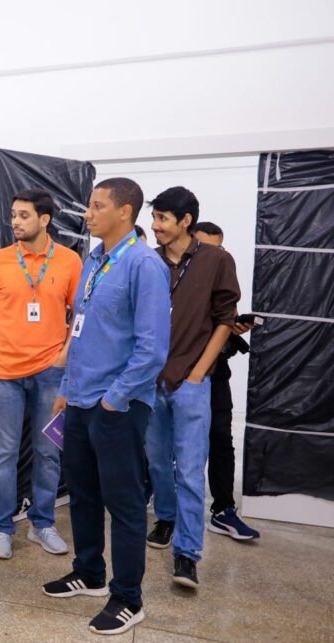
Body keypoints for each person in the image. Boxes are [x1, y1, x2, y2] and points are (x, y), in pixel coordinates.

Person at [42, 177, 170, 636]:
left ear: (125, 212)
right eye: (89, 206)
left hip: (118, 405)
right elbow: (79, 330)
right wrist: (66, 387)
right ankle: (90, 572)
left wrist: (114, 400)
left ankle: (128, 598)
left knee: (125, 503)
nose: (88, 214)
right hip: (79, 397)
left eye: (97, 206)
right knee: (82, 493)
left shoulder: (144, 265)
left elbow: (152, 350)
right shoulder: (94, 260)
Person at [0, 188, 83, 559]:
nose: (16, 222)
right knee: (3, 454)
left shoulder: (69, 261)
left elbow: (79, 316)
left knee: (48, 452)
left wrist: (62, 358)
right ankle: (1, 527)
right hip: (3, 373)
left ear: (44, 219)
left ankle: (42, 523)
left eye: (24, 215)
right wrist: (0, 342)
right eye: (13, 215)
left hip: (51, 373)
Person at [145, 190, 241, 590]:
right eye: (154, 218)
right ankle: (166, 518)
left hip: (191, 383)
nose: (155, 226)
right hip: (149, 383)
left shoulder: (216, 260)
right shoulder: (148, 261)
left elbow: (225, 320)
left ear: (185, 221)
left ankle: (187, 553)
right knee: (156, 463)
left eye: (163, 218)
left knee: (188, 469)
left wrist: (199, 373)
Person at [189, 222, 260, 541]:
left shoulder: (223, 284)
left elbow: (222, 334)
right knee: (166, 443)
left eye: (220, 249)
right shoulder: (170, 279)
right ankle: (166, 511)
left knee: (220, 439)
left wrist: (232, 331)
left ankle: (223, 510)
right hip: (175, 376)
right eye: (207, 248)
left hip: (215, 376)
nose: (214, 256)